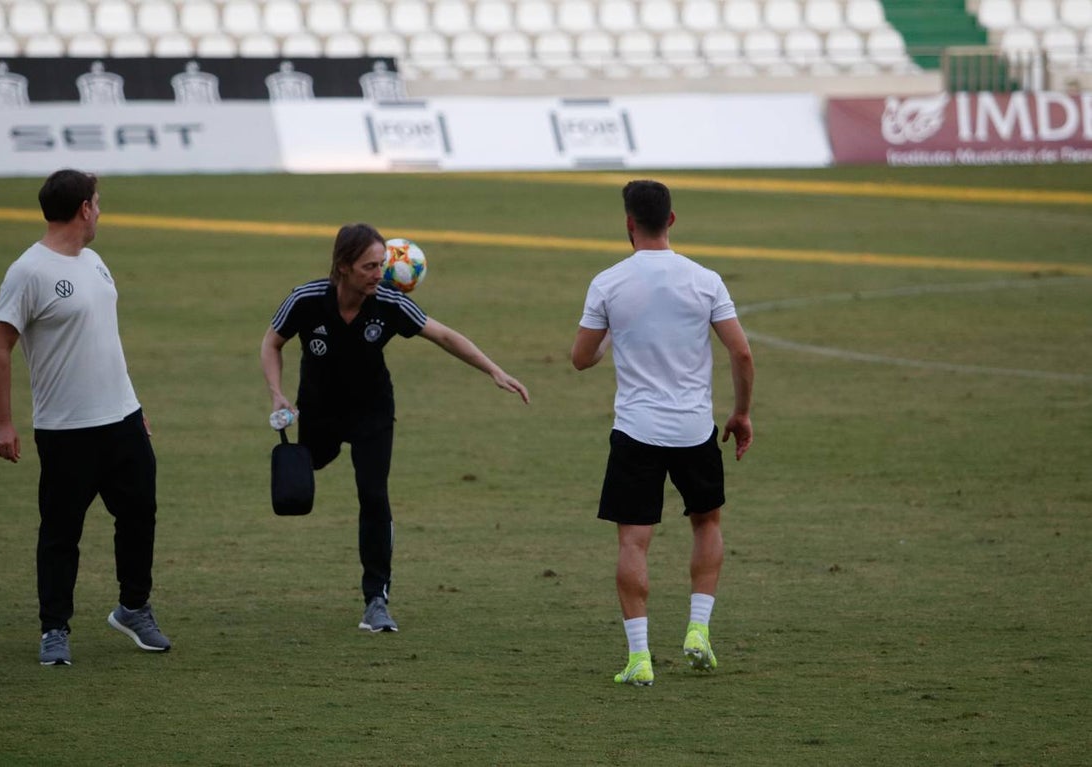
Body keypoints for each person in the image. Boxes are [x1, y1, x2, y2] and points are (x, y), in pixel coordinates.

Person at [261, 223, 529, 633]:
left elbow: (443, 335)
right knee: (305, 475)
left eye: (382, 264)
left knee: (373, 496)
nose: (379, 274)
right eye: (370, 266)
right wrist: (277, 393)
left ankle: (376, 600)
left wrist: (494, 370)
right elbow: (271, 343)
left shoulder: (389, 301)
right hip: (318, 411)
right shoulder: (306, 299)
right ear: (343, 266)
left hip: (372, 413)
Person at [571, 180, 754, 687]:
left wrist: (611, 332)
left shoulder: (608, 283)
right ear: (671, 220)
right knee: (706, 523)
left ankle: (639, 657)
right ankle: (698, 629)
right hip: (695, 429)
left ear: (629, 223)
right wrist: (740, 413)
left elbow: (581, 359)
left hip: (636, 430)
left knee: (634, 540)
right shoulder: (705, 280)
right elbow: (741, 353)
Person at [0, 169, 171, 666]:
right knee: (61, 531)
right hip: (66, 429)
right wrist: (3, 422)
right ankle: (54, 629)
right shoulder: (28, 271)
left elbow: (104, 341)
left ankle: (133, 608)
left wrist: (135, 406)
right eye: (98, 202)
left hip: (123, 419)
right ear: (84, 209)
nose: (100, 211)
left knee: (139, 516)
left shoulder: (94, 262)